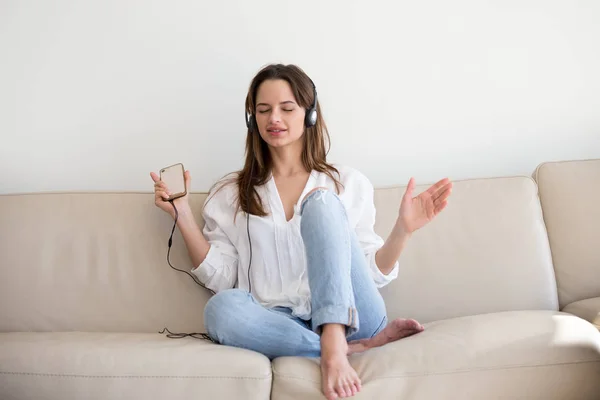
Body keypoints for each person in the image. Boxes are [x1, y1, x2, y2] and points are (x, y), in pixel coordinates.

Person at [150, 63, 452, 400]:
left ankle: (337, 338)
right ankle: (341, 349)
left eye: (286, 108)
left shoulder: (346, 183)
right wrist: (182, 215)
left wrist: (403, 230)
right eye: (263, 110)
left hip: (355, 315)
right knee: (220, 309)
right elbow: (223, 277)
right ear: (252, 119)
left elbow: (370, 274)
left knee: (321, 202)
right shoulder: (230, 192)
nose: (273, 118)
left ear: (309, 114)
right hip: (279, 323)